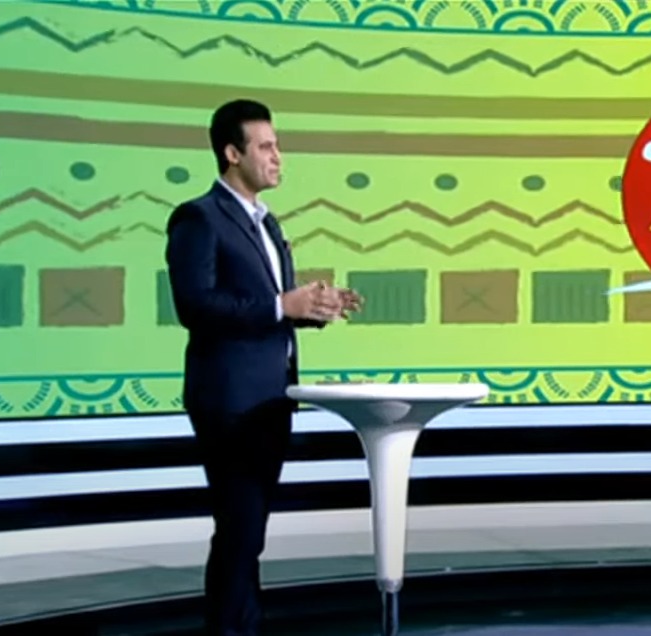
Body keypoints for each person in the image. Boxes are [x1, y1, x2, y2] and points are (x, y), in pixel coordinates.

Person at [165, 99, 362, 636]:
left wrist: (314, 308)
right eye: (266, 146)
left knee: (248, 531)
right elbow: (195, 306)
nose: (278, 156)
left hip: (270, 398)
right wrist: (282, 305)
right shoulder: (199, 218)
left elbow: (270, 307)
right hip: (230, 400)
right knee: (240, 528)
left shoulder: (266, 222)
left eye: (278, 146)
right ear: (232, 153)